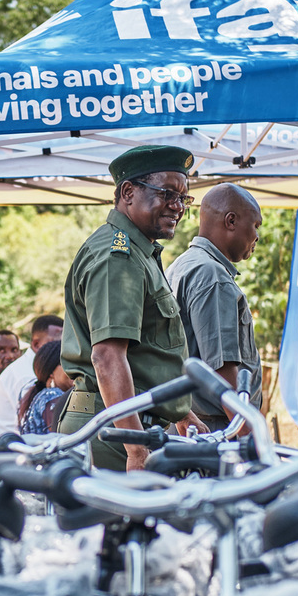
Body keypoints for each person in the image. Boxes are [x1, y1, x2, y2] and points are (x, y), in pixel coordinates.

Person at [58, 145, 207, 471]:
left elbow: (147, 356)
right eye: (168, 193)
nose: (177, 207)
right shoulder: (118, 258)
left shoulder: (138, 252)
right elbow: (107, 356)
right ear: (128, 192)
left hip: (122, 425)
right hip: (115, 432)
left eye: (183, 198)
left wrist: (182, 414)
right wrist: (135, 448)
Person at [166, 183, 264, 431]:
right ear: (231, 221)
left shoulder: (182, 265)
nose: (257, 237)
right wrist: (247, 431)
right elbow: (220, 369)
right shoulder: (212, 276)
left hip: (194, 423)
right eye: (255, 226)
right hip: (217, 428)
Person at [0, 315, 63, 443]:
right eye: (58, 341)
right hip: (7, 451)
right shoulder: (25, 374)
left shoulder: (28, 367)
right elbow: (37, 424)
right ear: (37, 344)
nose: (64, 346)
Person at [17, 340, 71, 435]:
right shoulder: (51, 396)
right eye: (67, 363)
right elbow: (64, 435)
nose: (75, 369)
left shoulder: (41, 395)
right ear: (51, 372)